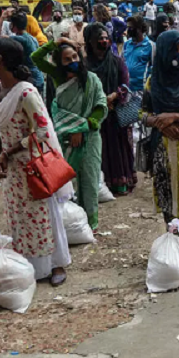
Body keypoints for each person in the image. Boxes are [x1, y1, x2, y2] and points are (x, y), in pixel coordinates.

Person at [0, 37, 71, 286]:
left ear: (0, 60)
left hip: (33, 165)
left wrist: (7, 152)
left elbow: (43, 131)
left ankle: (55, 264)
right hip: (12, 167)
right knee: (18, 215)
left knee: (42, 215)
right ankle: (27, 264)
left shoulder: (26, 92)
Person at [142, 30, 179, 266]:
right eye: (174, 49)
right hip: (163, 149)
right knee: (168, 196)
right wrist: (160, 123)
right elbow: (141, 114)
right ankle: (176, 242)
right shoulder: (152, 82)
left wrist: (174, 116)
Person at [32, 37, 107, 229]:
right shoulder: (57, 76)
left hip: (90, 137)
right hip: (65, 137)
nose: (73, 61)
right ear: (60, 63)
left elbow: (100, 106)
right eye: (67, 59)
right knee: (68, 181)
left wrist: (82, 128)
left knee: (90, 180)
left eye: (75, 56)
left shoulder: (91, 79)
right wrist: (57, 42)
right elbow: (36, 57)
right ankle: (72, 223)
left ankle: (91, 223)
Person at [84, 23, 136, 195]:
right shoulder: (85, 65)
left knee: (117, 147)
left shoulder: (117, 62)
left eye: (106, 38)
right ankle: (100, 185)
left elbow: (125, 85)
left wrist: (114, 95)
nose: (104, 41)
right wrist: (98, 101)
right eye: (100, 39)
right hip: (95, 113)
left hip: (115, 113)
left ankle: (120, 182)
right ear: (90, 41)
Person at [8, 12, 44, 93]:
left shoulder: (19, 39)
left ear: (14, 26)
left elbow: (3, 38)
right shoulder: (32, 38)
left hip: (32, 79)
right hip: (38, 77)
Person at [124, 16, 155, 91]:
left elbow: (155, 68)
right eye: (128, 27)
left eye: (131, 28)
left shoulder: (151, 46)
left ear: (140, 28)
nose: (128, 30)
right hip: (126, 89)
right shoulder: (127, 44)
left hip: (142, 89)